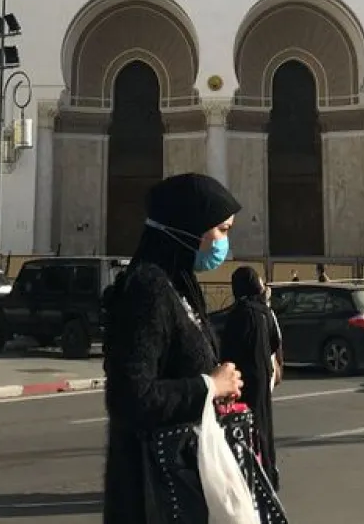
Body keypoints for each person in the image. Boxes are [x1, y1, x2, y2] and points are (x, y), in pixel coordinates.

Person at [103, 173, 245, 524]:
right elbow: (130, 396)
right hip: (154, 492)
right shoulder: (148, 288)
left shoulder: (176, 284)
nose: (225, 242)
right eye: (222, 230)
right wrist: (209, 386)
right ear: (189, 228)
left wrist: (215, 389)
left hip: (184, 477)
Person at [220, 265, 282, 490]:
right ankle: (268, 472)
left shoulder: (238, 314)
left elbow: (228, 349)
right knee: (264, 424)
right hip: (262, 376)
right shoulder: (264, 312)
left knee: (245, 426)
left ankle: (251, 474)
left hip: (243, 379)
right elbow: (275, 342)